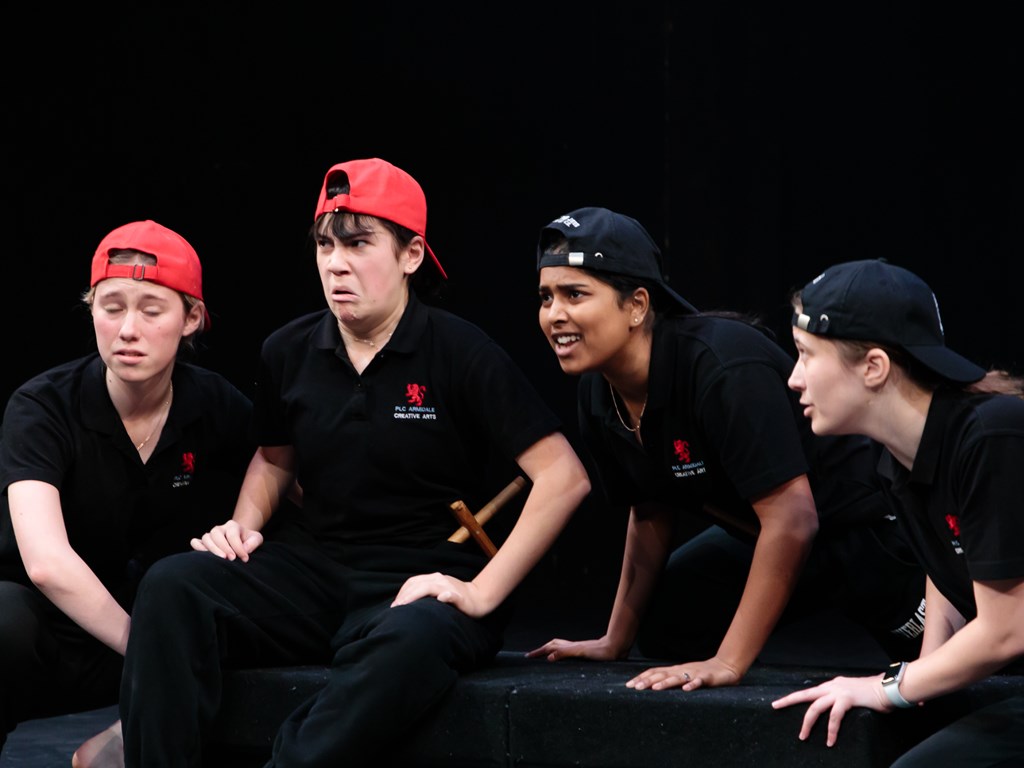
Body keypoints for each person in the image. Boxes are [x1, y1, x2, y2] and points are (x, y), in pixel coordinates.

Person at [118, 157, 590, 766]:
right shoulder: (288, 349)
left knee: (412, 638)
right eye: (324, 245)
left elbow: (563, 477)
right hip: (315, 572)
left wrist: (480, 592)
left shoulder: (459, 351)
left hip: (421, 576)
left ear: (411, 255)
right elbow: (273, 459)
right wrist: (244, 525)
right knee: (173, 584)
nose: (335, 263)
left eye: (359, 244)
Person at [526, 207, 927, 691]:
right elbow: (650, 511)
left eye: (575, 294)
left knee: (955, 675)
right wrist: (616, 639)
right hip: (762, 536)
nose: (555, 314)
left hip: (861, 534)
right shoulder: (598, 392)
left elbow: (794, 518)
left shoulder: (721, 366)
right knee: (666, 627)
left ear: (636, 305)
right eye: (546, 297)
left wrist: (728, 662)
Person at [0, 220, 254, 765]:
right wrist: (151, 652)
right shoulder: (42, 407)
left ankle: (125, 735)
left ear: (191, 319)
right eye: (111, 307)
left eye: (151, 309)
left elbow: (276, 495)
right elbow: (45, 561)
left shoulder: (221, 408)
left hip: (169, 630)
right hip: (65, 635)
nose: (127, 329)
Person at [771, 258, 1024, 766]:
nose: (794, 379)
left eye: (805, 354)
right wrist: (929, 670)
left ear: (874, 367)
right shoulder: (899, 459)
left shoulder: (993, 436)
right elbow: (947, 567)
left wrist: (890, 686)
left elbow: (1007, 628)